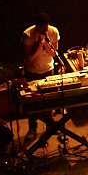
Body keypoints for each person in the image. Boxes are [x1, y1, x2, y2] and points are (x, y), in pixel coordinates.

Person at [21, 12, 60, 140]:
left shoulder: (53, 32)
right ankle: (32, 128)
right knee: (33, 102)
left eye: (46, 27)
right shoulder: (28, 34)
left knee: (48, 99)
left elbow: (54, 54)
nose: (44, 30)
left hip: (48, 69)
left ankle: (50, 126)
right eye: (41, 28)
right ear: (36, 26)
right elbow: (29, 58)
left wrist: (46, 44)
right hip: (32, 71)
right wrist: (38, 46)